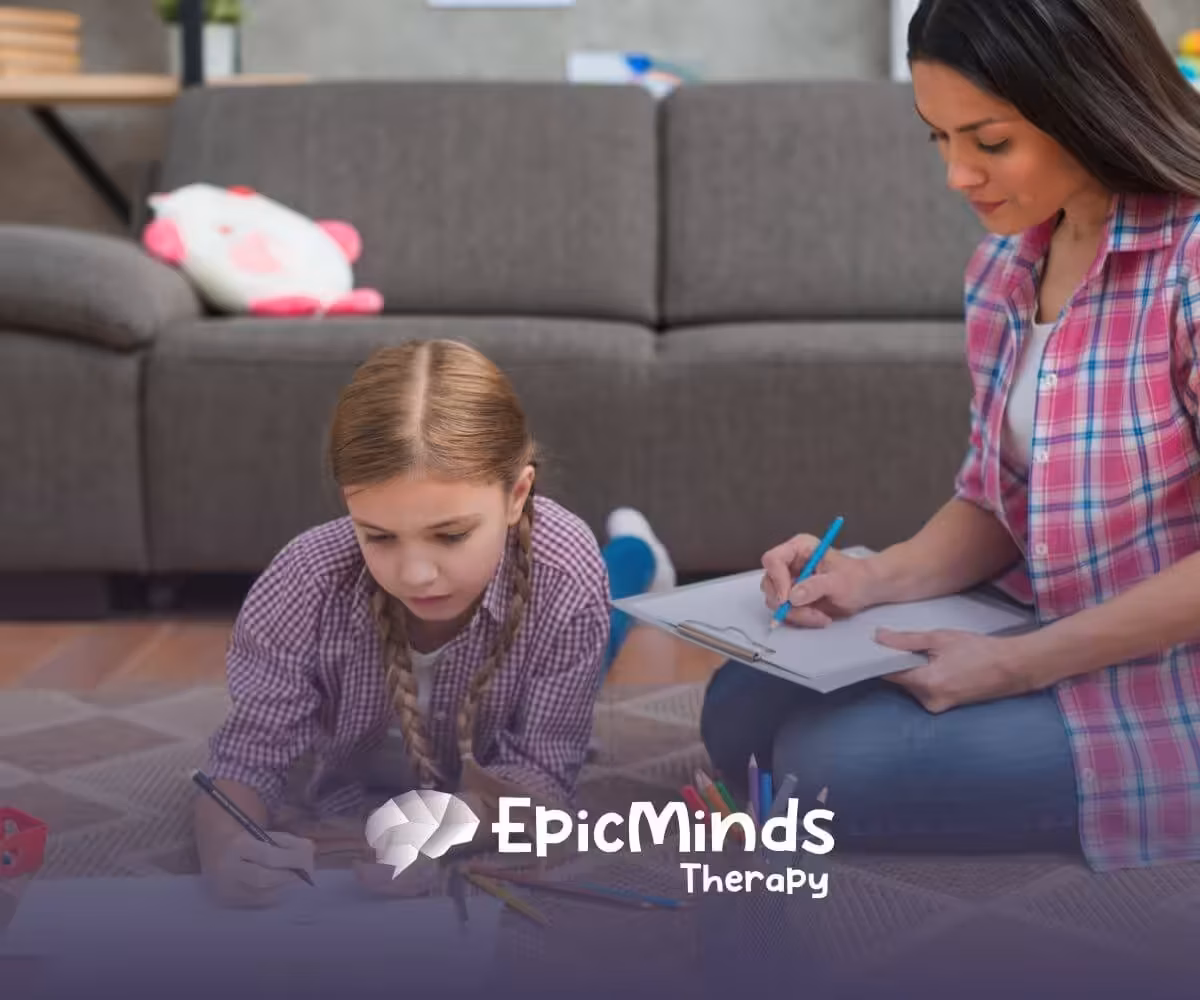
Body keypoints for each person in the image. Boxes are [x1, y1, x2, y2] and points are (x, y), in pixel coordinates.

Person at [702, 0, 1200, 872]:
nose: (958, 175)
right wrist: (868, 578)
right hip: (1047, 610)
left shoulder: (1189, 262)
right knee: (740, 707)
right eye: (940, 138)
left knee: (825, 772)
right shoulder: (1006, 268)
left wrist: (1020, 668)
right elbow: (999, 500)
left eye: (989, 141)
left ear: (1085, 103)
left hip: (1166, 663)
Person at [194, 340, 675, 907]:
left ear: (518, 495)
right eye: (378, 535)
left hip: (557, 595)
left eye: (451, 535)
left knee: (611, 608)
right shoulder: (304, 579)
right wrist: (226, 849)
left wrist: (451, 820)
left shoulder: (563, 573)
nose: (417, 574)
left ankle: (638, 553)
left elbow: (546, 771)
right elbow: (246, 760)